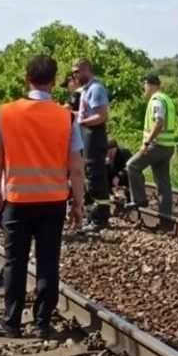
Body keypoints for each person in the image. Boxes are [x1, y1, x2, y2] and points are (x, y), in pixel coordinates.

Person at [0, 54, 86, 339]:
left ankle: (12, 323)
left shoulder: (6, 114)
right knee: (48, 261)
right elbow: (77, 168)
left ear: (27, 79)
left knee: (15, 262)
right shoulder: (66, 118)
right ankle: (42, 323)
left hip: (17, 201)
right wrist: (77, 203)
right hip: (53, 202)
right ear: (54, 83)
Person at [125, 74, 178, 219]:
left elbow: (159, 122)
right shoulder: (167, 99)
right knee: (163, 182)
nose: (144, 89)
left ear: (150, 85)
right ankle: (165, 215)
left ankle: (139, 200)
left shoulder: (156, 100)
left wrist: (147, 142)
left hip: (157, 145)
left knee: (132, 166)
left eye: (145, 85)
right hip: (168, 146)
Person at [74, 59, 111, 233]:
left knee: (95, 176)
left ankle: (100, 217)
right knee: (88, 174)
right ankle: (92, 216)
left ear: (86, 70)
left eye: (77, 72)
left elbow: (102, 116)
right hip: (86, 135)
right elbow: (86, 113)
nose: (75, 75)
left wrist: (81, 122)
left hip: (94, 135)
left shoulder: (96, 89)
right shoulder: (85, 90)